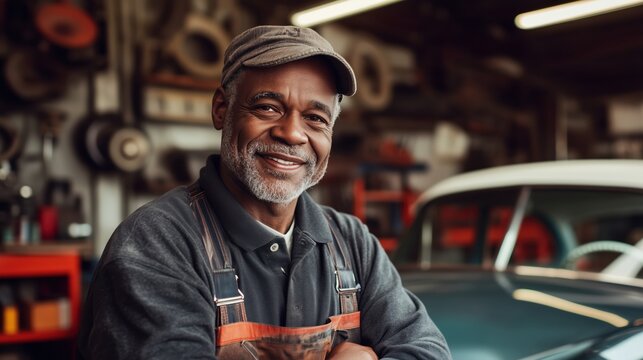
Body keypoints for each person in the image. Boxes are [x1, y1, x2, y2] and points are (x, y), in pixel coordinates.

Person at [78, 25, 451, 359]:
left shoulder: (351, 243)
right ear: (222, 110)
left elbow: (426, 350)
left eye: (315, 118)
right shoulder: (157, 243)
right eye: (268, 107)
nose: (292, 133)